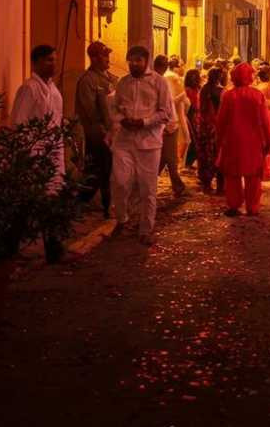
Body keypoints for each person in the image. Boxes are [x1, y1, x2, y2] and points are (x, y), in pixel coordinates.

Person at [110, 45, 174, 246]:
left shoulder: (159, 82)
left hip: (149, 142)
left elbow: (166, 113)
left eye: (138, 60)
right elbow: (114, 108)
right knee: (119, 181)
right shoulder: (123, 83)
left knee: (148, 188)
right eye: (131, 60)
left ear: (146, 61)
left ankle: (146, 229)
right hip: (124, 140)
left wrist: (144, 122)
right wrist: (122, 119)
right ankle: (122, 218)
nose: (134, 64)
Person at [11, 45, 66, 263]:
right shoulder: (29, 89)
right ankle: (9, 248)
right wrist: (28, 155)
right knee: (27, 204)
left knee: (51, 201)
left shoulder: (53, 89)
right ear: (36, 63)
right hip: (35, 154)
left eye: (54, 59)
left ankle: (54, 249)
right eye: (47, 60)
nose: (52, 64)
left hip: (53, 153)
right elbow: (19, 124)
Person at [215, 63, 270, 216]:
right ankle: (252, 207)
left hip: (232, 141)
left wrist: (218, 140)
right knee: (253, 176)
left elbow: (221, 121)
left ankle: (234, 205)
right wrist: (269, 140)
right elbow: (265, 121)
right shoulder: (257, 95)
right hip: (254, 141)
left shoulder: (228, 95)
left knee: (232, 175)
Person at [75, 41, 118, 219]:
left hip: (112, 132)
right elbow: (90, 111)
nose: (108, 58)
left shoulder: (110, 78)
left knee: (106, 170)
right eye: (104, 55)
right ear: (93, 58)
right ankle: (85, 203)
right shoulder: (88, 80)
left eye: (108, 54)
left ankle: (93, 203)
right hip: (97, 133)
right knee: (99, 170)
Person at [153, 55, 188, 197]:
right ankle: (177, 185)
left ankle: (176, 185)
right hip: (165, 125)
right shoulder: (158, 81)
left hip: (168, 124)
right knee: (169, 158)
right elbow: (165, 104)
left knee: (166, 158)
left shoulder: (161, 79)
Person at [197, 67, 225, 194]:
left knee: (206, 156)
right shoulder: (220, 91)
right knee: (219, 156)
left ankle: (206, 185)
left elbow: (201, 109)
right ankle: (220, 187)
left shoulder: (204, 89)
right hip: (216, 127)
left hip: (205, 127)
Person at [183, 69, 201, 171]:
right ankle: (188, 163)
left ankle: (192, 162)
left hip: (197, 116)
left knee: (197, 140)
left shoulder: (198, 89)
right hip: (191, 116)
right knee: (193, 140)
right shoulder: (187, 90)